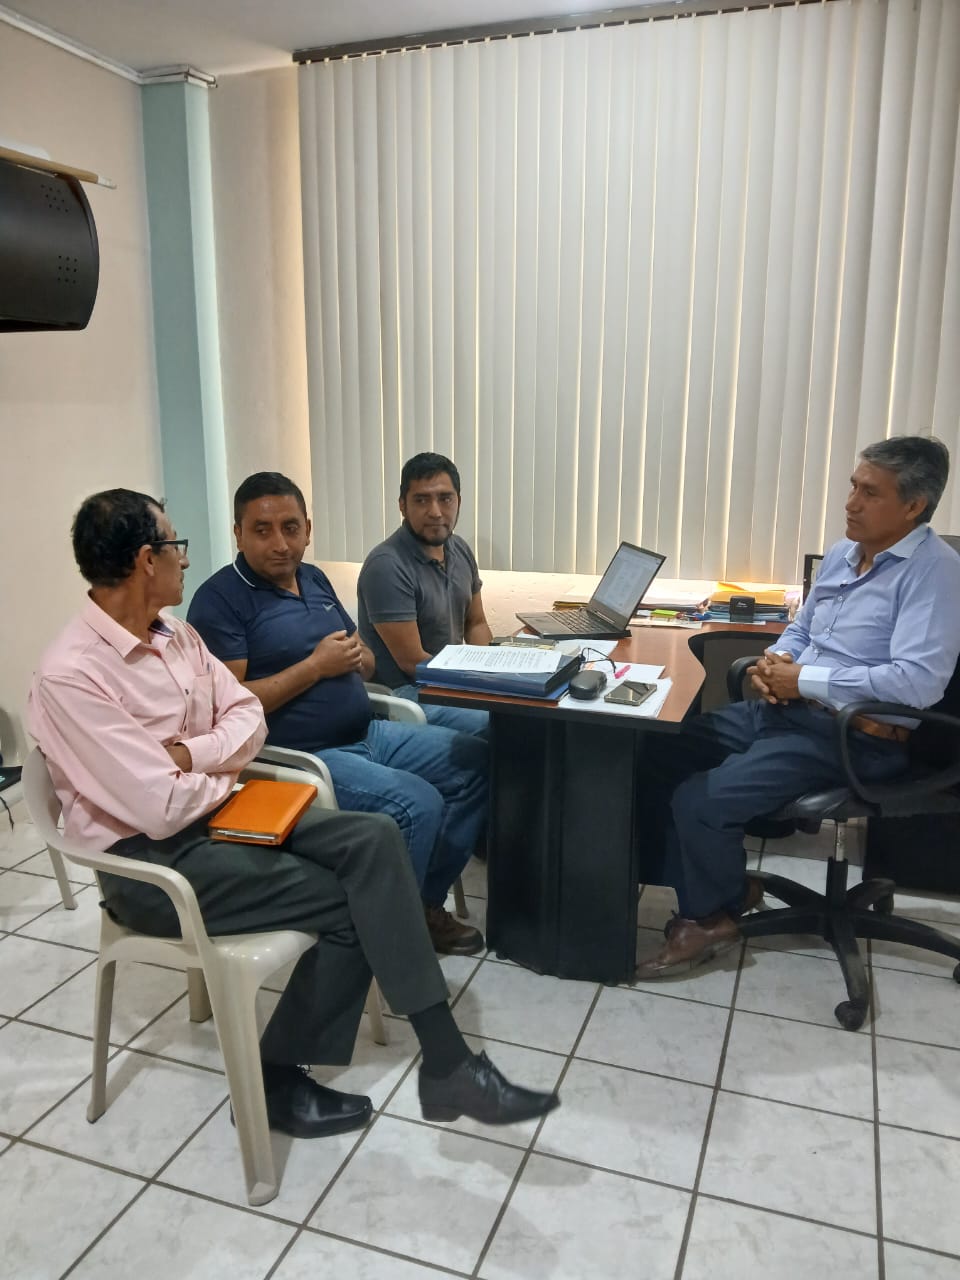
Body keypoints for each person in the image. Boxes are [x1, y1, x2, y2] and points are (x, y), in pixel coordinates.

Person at [28, 488, 559, 1140]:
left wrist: (193, 756)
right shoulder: (73, 675)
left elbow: (246, 717)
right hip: (151, 865)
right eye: (175, 546)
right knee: (356, 897)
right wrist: (218, 765)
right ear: (146, 560)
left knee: (376, 841)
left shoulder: (174, 635)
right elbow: (160, 808)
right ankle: (298, 1079)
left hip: (222, 811)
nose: (184, 560)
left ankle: (446, 1066)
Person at [636, 436, 960, 979]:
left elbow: (918, 683)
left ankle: (707, 919)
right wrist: (777, 661)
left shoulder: (936, 573)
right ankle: (726, 888)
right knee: (657, 749)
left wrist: (804, 679)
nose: (851, 503)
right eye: (853, 486)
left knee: (702, 800)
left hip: (858, 737)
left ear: (913, 506)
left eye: (870, 493)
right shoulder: (842, 554)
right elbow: (804, 629)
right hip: (791, 713)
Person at [186, 472, 486, 956]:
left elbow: (360, 653)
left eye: (291, 527)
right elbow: (229, 706)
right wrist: (314, 667)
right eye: (262, 530)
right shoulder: (219, 600)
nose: (280, 543)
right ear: (238, 533)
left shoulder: (314, 578)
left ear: (308, 528)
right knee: (419, 804)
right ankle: (394, 940)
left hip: (368, 730)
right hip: (300, 755)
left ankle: (420, 905)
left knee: (475, 762)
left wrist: (359, 658)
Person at [357, 452, 491, 738]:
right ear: (402, 506)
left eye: (445, 498)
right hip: (408, 693)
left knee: (529, 713)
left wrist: (495, 675)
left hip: (449, 680)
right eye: (421, 500)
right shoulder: (386, 565)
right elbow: (413, 662)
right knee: (501, 723)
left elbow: (476, 623)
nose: (435, 511)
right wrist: (477, 683)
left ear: (458, 501)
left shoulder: (460, 549)